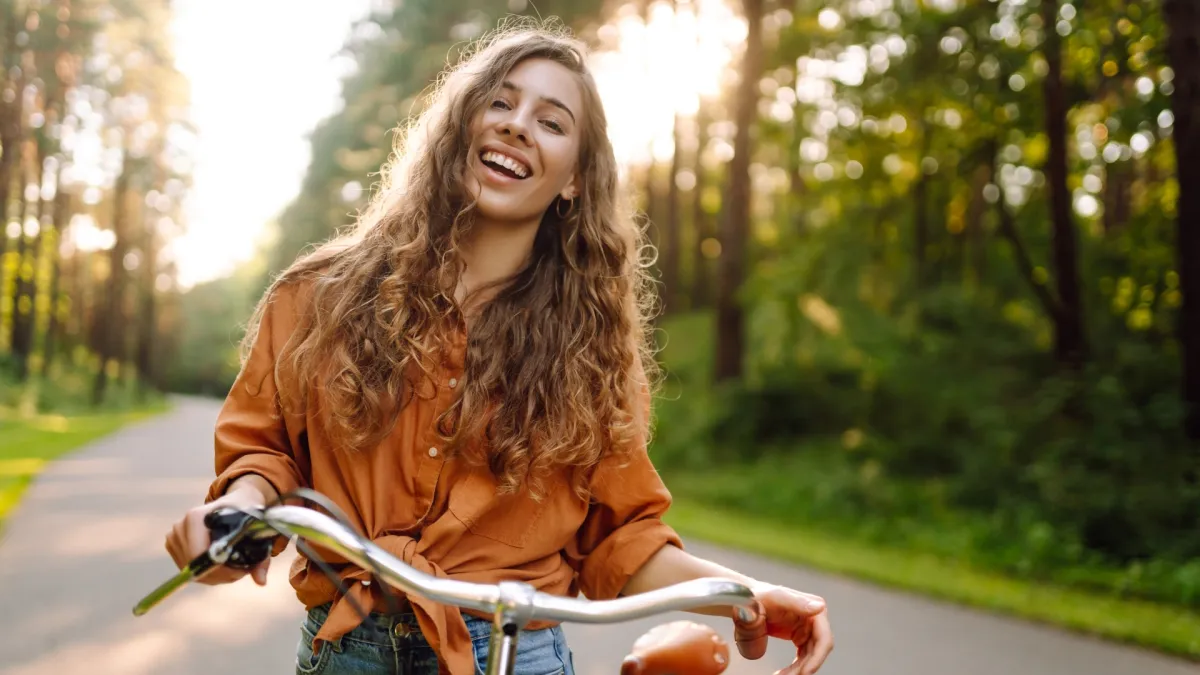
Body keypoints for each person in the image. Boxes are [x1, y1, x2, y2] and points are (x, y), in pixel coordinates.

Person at [164, 20, 833, 675]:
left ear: (575, 178)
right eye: (501, 101)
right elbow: (265, 451)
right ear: (460, 131)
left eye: (551, 120)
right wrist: (239, 511)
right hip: (348, 652)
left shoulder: (591, 350)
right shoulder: (317, 296)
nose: (516, 123)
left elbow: (622, 540)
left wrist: (746, 594)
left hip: (518, 654)